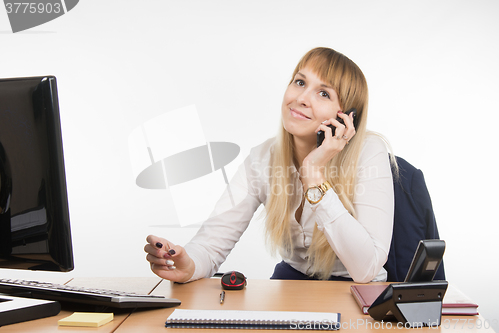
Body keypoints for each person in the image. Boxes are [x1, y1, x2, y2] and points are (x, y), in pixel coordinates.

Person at [144, 47, 394, 284]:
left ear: (348, 117)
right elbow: (211, 245)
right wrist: (188, 265)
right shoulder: (263, 158)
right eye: (300, 82)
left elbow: (366, 269)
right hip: (293, 287)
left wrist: (313, 173)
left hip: (357, 292)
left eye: (324, 93)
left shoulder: (370, 152)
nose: (302, 98)